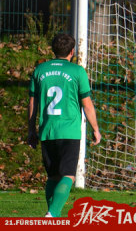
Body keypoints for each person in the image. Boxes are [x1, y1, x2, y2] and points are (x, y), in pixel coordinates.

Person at [27, 34, 102, 217]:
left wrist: (31, 129)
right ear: (72, 51)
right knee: (68, 175)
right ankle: (52, 213)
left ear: (53, 49)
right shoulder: (77, 71)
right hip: (69, 132)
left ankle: (54, 215)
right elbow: (87, 104)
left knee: (53, 176)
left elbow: (32, 103)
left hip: (47, 130)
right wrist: (96, 129)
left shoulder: (40, 70)